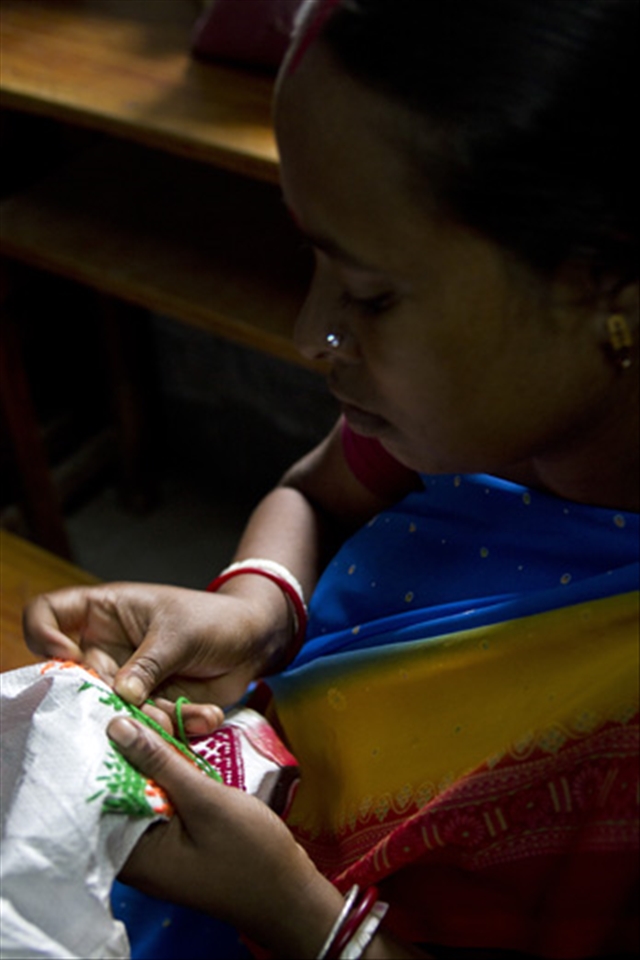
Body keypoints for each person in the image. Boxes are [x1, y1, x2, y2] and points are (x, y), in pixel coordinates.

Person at [22, 0, 638, 957]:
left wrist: (311, 922)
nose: (312, 336)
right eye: (313, 261)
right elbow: (314, 493)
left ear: (610, 285)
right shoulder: (488, 423)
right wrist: (255, 614)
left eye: (371, 294)